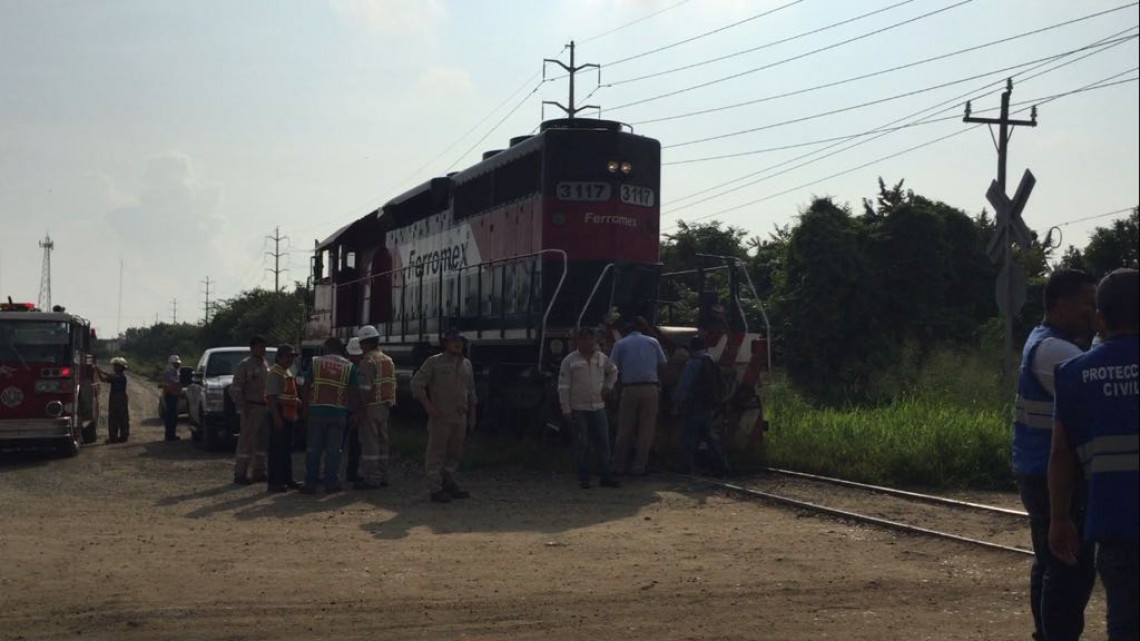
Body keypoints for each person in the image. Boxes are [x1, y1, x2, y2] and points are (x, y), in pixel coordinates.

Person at [1049, 268, 1139, 641]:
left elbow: (1060, 455)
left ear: (1100, 318)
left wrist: (1058, 519)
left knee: (1125, 622)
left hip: (1115, 525)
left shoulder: (1072, 374)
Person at [1012, 269, 1098, 641]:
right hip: (1053, 474)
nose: (1093, 314)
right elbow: (1097, 390)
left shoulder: (1042, 339)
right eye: (1087, 305)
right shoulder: (1057, 351)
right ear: (1062, 305)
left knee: (1050, 562)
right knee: (1068, 567)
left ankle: (1045, 633)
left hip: (1037, 468)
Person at [411, 329, 476, 503]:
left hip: (460, 416)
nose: (458, 344)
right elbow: (417, 384)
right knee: (436, 453)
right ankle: (435, 488)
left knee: (454, 453)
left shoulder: (467, 364)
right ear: (445, 343)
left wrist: (472, 414)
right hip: (441, 416)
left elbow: (471, 391)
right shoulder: (434, 362)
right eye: (453, 340)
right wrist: (428, 406)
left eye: (460, 340)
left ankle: (449, 482)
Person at [558, 327, 620, 490]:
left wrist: (608, 386)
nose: (589, 342)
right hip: (579, 408)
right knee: (582, 444)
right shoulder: (569, 361)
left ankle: (606, 476)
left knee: (603, 443)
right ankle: (584, 478)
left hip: (598, 406)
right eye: (585, 339)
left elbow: (613, 371)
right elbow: (563, 386)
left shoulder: (601, 358)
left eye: (591, 339)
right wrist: (566, 410)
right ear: (578, 341)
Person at [609, 316, 668, 477]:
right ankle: (639, 467)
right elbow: (663, 365)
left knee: (625, 428)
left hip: (629, 388)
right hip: (651, 387)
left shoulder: (620, 344)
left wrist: (614, 388)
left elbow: (612, 369)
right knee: (646, 430)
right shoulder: (653, 342)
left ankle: (617, 465)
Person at [300, 337, 356, 494]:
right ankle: (331, 482)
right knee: (334, 450)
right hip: (338, 413)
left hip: (316, 411)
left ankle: (310, 483)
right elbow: (353, 392)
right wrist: (354, 412)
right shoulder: (349, 366)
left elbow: (306, 385)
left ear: (326, 348)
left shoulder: (316, 362)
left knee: (313, 448)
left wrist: (305, 407)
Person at [674, 336, 730, 477]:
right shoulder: (711, 360)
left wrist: (678, 400)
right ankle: (722, 466)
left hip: (694, 404)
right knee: (710, 436)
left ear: (692, 348)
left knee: (689, 436)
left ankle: (686, 467)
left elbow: (685, 385)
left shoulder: (692, 363)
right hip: (709, 404)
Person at [354, 326, 397, 490]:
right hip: (385, 405)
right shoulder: (387, 360)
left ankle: (371, 477)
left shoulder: (368, 362)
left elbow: (364, 389)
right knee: (382, 441)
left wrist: (359, 410)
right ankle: (383, 475)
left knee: (370, 442)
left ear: (365, 343)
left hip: (370, 406)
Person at [230, 336, 270, 485]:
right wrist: (241, 405)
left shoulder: (266, 365)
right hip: (251, 407)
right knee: (246, 442)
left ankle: (259, 471)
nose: (262, 350)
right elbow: (235, 388)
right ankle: (240, 473)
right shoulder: (245, 365)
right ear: (252, 348)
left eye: (264, 347)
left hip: (264, 407)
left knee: (262, 442)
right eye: (259, 347)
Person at [265, 344, 301, 493]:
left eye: (292, 357)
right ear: (279, 357)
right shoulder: (275, 373)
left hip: (288, 414)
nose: (290, 359)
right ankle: (275, 482)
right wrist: (276, 417)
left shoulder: (286, 371)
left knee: (286, 449)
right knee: (277, 450)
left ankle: (286, 478)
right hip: (279, 413)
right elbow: (272, 397)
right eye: (287, 356)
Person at [343, 337, 364, 484]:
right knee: (338, 444)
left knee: (354, 445)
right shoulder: (347, 368)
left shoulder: (362, 368)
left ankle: (351, 473)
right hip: (344, 410)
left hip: (350, 410)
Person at [97, 357, 130, 444]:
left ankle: (116, 437)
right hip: (120, 398)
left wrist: (98, 371)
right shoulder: (119, 377)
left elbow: (106, 377)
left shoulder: (120, 377)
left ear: (120, 367)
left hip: (118, 398)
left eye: (116, 366)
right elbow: (105, 378)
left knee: (116, 418)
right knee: (120, 418)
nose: (114, 367)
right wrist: (99, 371)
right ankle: (120, 436)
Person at [161, 355, 183, 442]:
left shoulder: (176, 372)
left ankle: (171, 434)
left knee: (174, 417)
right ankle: (169, 435)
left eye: (178, 364)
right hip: (170, 396)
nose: (177, 365)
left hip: (174, 395)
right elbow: (174, 382)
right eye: (175, 364)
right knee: (170, 416)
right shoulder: (168, 373)